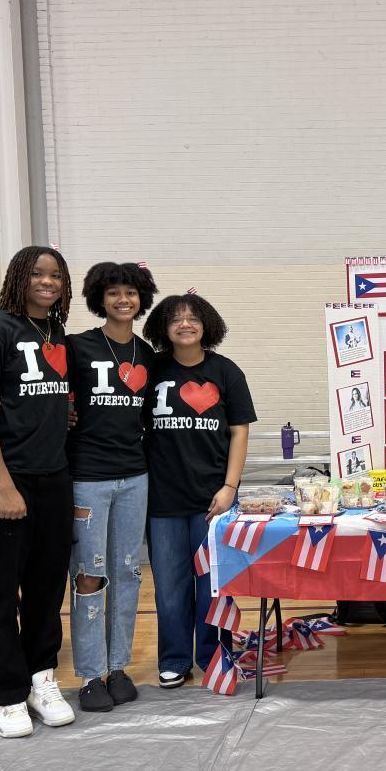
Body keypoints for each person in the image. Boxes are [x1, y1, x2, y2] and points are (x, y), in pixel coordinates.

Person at [0, 245, 76, 738]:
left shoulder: (56, 332)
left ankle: (40, 678)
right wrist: (5, 486)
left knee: (47, 589)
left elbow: (42, 396)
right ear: (18, 277)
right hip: (3, 481)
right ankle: (6, 694)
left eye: (56, 275)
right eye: (37, 273)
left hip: (54, 478)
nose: (47, 282)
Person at [142, 293, 256, 688]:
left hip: (214, 500)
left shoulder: (226, 371)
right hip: (163, 500)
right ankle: (174, 659)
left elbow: (239, 431)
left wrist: (230, 487)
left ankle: (213, 655)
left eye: (193, 317)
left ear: (206, 324)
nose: (185, 324)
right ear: (164, 327)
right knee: (170, 587)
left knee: (214, 585)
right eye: (176, 318)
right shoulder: (152, 369)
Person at [65, 261, 158, 712]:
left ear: (142, 299)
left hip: (135, 477)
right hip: (87, 478)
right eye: (114, 293)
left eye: (131, 293)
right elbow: (47, 394)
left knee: (128, 572)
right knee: (89, 576)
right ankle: (89, 674)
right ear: (99, 299)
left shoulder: (147, 354)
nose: (124, 300)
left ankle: (118, 666)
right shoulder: (77, 346)